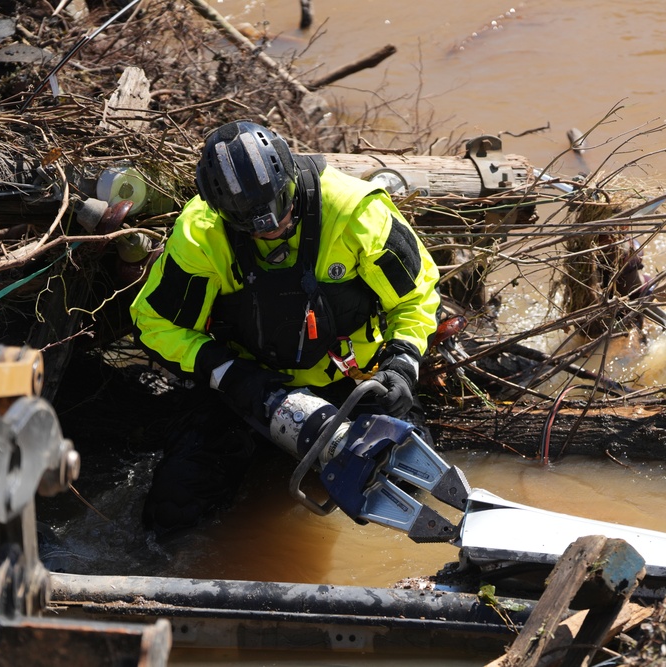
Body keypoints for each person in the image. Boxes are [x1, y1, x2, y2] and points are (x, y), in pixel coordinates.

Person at [130, 120, 440, 535]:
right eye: (250, 224)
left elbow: (415, 296)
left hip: (355, 387)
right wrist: (230, 375)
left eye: (280, 208)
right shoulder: (201, 232)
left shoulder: (354, 211)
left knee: (409, 487)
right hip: (251, 393)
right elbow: (153, 323)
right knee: (172, 509)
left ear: (291, 177)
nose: (271, 227)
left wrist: (402, 365)